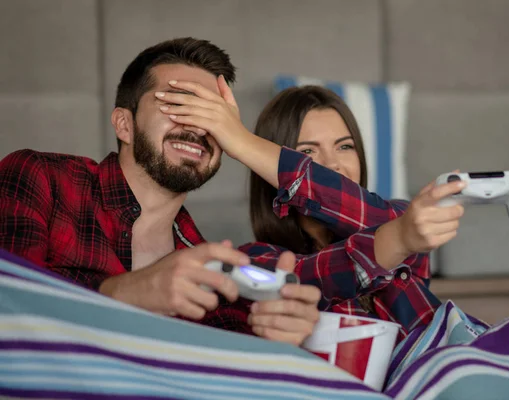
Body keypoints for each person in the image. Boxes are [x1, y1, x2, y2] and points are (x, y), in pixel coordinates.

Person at [0, 37, 323, 346]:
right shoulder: (41, 178)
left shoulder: (210, 268)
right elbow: (8, 308)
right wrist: (126, 293)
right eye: (178, 106)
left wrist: (271, 340)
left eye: (213, 117)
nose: (197, 128)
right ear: (124, 124)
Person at [154, 80, 466, 337]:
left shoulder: (398, 217)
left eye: (345, 146)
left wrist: (241, 139)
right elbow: (317, 275)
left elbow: (392, 223)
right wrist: (241, 143)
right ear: (269, 171)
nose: (333, 164)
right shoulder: (259, 259)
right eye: (307, 152)